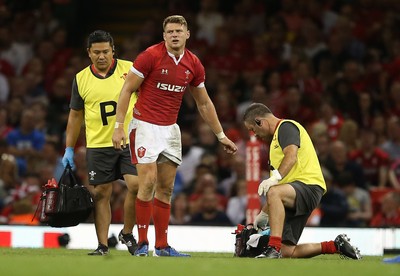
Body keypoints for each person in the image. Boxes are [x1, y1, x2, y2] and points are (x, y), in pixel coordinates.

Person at [112, 15, 237, 257]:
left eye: (179, 30)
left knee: (166, 189)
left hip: (170, 129)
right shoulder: (149, 56)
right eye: (170, 31)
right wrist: (119, 126)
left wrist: (220, 135)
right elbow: (127, 89)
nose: (174, 35)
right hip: (145, 126)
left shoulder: (193, 63)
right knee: (147, 183)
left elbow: (203, 103)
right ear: (164, 35)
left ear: (188, 34)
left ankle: (162, 246)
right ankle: (142, 243)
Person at [242, 103, 361, 259]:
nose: (254, 134)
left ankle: (273, 248)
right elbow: (277, 190)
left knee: (274, 192)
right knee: (288, 252)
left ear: (260, 121)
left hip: (308, 186)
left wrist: (274, 178)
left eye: (252, 128)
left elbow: (291, 157)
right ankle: (335, 245)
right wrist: (263, 214)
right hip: (294, 193)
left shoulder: (285, 127)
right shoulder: (276, 142)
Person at [62, 30, 139, 256]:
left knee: (136, 186)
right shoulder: (81, 78)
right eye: (96, 52)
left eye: (106, 51)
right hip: (97, 144)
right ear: (89, 53)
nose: (102, 56)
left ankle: (127, 232)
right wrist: (69, 148)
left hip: (128, 140)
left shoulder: (130, 69)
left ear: (113, 50)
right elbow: (75, 116)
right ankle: (103, 245)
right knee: (100, 194)